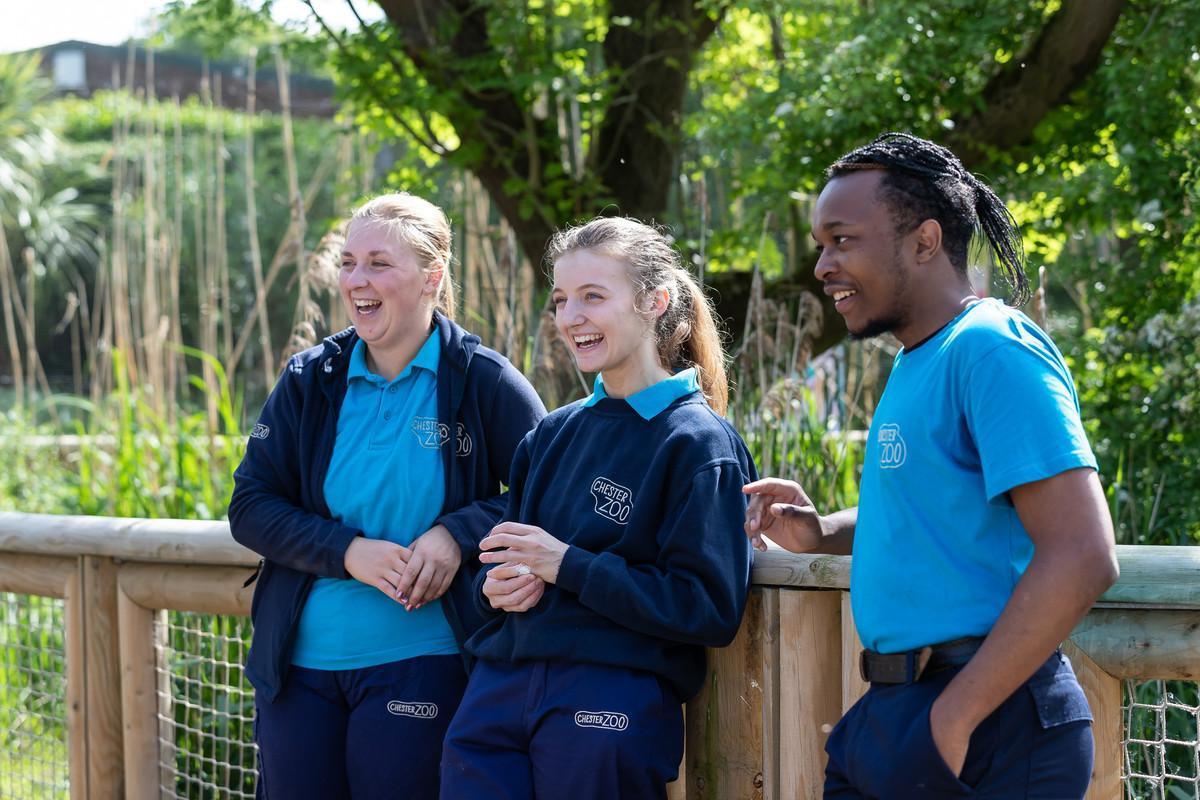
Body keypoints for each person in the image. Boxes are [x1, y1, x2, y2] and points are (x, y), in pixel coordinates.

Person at [744, 133, 1119, 799]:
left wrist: (953, 719)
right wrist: (823, 531)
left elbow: (1083, 553)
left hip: (987, 724)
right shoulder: (919, 359)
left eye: (842, 239)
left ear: (924, 240)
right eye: (820, 244)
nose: (823, 265)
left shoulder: (992, 350)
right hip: (894, 714)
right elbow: (947, 507)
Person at [229, 192, 546, 799]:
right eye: (349, 262)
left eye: (379, 263)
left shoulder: (484, 381)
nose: (356, 280)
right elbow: (250, 506)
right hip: (299, 671)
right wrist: (347, 551)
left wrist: (456, 534)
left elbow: (546, 497)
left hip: (425, 662)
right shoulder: (308, 379)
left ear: (432, 277)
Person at [439, 216, 757, 799]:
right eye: (562, 300)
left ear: (654, 302)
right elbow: (508, 559)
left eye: (592, 297)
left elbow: (708, 606)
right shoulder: (551, 434)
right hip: (496, 693)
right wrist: (494, 588)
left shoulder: (697, 442)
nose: (571, 318)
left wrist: (568, 565)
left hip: (610, 699)